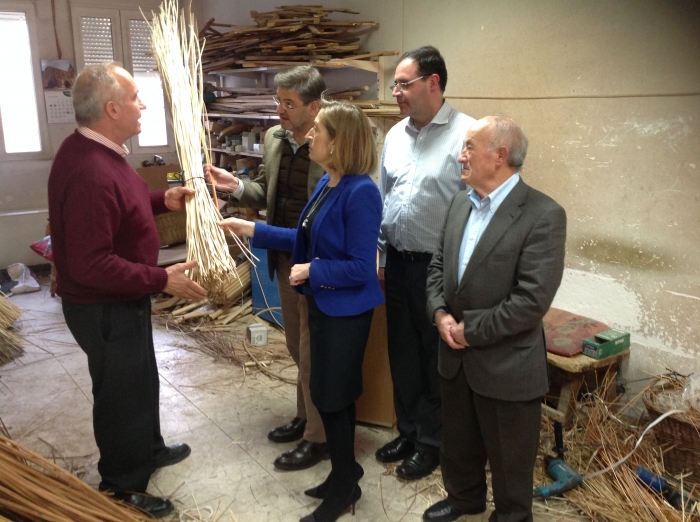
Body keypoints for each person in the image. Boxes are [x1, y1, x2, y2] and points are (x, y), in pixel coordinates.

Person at [48, 63, 208, 519]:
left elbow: (127, 199)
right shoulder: (88, 171)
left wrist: (165, 199)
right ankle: (122, 483)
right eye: (137, 97)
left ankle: (149, 449)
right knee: (120, 393)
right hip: (102, 306)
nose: (144, 104)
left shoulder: (102, 150)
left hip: (121, 299)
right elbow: (90, 263)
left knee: (139, 380)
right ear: (112, 108)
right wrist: (163, 278)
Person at [218, 100, 382, 522]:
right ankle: (346, 474)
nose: (311, 136)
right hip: (325, 305)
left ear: (339, 142)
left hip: (345, 312)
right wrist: (252, 228)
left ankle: (343, 487)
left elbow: (364, 267)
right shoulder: (329, 183)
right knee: (330, 398)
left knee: (332, 397)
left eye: (319, 131)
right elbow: (302, 235)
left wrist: (315, 270)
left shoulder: (361, 191)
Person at [423, 116, 567, 522]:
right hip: (454, 355)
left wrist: (470, 332)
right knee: (458, 444)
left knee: (510, 460)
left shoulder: (542, 214)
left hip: (506, 364)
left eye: (469, 146)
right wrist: (438, 314)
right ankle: (465, 499)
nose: (460, 155)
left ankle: (510, 516)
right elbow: (437, 266)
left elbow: (531, 300)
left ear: (500, 155)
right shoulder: (458, 203)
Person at [204, 66, 329, 471]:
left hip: (316, 265)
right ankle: (305, 415)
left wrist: (256, 228)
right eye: (278, 101)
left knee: (313, 354)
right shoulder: (274, 140)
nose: (280, 110)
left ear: (314, 106)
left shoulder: (331, 144)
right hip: (282, 260)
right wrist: (234, 186)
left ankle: (318, 436)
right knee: (297, 347)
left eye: (288, 104)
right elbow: (263, 189)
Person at [376, 46, 475, 481]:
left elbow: (478, 209)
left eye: (403, 83)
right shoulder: (396, 135)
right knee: (403, 354)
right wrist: (380, 255)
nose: (395, 92)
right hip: (396, 263)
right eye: (394, 84)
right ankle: (409, 431)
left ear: (433, 82)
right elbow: (385, 197)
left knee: (435, 360)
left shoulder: (467, 135)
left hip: (437, 271)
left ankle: (432, 444)